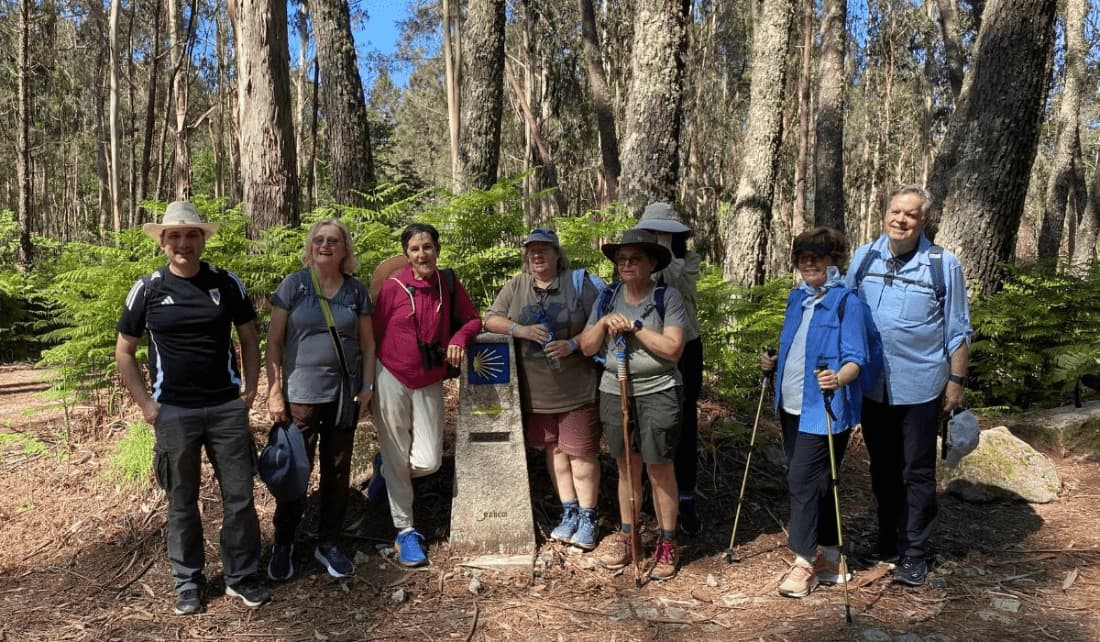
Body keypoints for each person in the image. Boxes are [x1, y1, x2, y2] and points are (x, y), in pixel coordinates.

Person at [115, 201, 269, 615]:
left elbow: (250, 338)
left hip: (225, 409)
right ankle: (188, 581)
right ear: (163, 242)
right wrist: (148, 406)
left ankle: (241, 576)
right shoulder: (147, 289)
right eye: (175, 236)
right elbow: (125, 352)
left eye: (191, 235)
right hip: (174, 414)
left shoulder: (225, 283)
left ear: (202, 239)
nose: (184, 243)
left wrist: (250, 391)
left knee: (239, 497)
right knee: (181, 501)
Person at [845, 184, 972, 587]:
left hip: (921, 386)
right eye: (896, 211)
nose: (901, 220)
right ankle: (888, 541)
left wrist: (956, 381)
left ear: (923, 221)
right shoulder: (864, 257)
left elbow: (958, 329)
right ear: (885, 213)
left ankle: (915, 552)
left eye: (911, 214)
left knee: (916, 470)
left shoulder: (942, 264)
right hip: (872, 386)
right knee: (882, 468)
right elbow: (844, 313)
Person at [761, 227, 871, 598]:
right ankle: (831, 554)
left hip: (824, 408)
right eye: (803, 257)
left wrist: (839, 379)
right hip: (791, 404)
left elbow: (858, 357)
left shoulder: (846, 302)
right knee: (819, 482)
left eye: (817, 257)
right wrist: (774, 362)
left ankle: (804, 562)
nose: (809, 263)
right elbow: (796, 346)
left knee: (802, 481)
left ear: (833, 260)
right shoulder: (798, 299)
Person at [265, 218, 376, 581]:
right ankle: (283, 543)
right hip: (300, 396)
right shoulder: (294, 286)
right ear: (310, 247)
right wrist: (275, 389)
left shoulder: (355, 291)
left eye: (334, 240)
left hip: (344, 395)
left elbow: (368, 344)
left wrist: (368, 386)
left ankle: (328, 542)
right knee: (296, 472)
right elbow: (275, 342)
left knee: (338, 471)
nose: (325, 245)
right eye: (319, 240)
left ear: (345, 249)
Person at [483, 229, 603, 550]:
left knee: (581, 454)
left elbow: (600, 323)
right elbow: (491, 318)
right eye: (532, 250)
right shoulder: (517, 286)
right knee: (556, 452)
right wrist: (518, 329)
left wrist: (573, 344)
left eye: (544, 250)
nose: (538, 255)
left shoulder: (578, 285)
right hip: (537, 394)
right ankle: (570, 513)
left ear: (556, 254)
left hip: (577, 388)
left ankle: (589, 516)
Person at [369, 222, 480, 567]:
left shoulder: (447, 283)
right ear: (406, 254)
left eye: (428, 247)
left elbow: (474, 320)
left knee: (428, 460)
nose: (422, 254)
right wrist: (367, 386)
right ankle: (405, 530)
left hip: (430, 378)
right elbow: (371, 335)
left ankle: (385, 470)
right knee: (397, 449)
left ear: (437, 249)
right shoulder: (391, 288)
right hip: (391, 375)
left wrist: (459, 339)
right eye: (415, 249)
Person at [578, 228, 686, 581]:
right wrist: (606, 323)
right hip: (614, 388)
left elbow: (672, 349)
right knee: (627, 464)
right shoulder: (608, 297)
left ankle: (667, 541)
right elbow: (587, 346)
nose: (626, 264)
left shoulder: (666, 298)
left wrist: (636, 327)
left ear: (651, 263)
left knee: (658, 466)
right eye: (621, 259)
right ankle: (629, 534)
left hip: (658, 391)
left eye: (634, 258)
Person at [633, 202, 704, 535]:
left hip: (686, 348)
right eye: (651, 232)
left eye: (662, 232)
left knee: (684, 420)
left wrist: (662, 246)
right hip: (648, 346)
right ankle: (650, 493)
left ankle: (686, 497)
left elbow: (674, 279)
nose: (656, 237)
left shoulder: (688, 261)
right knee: (650, 420)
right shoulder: (640, 264)